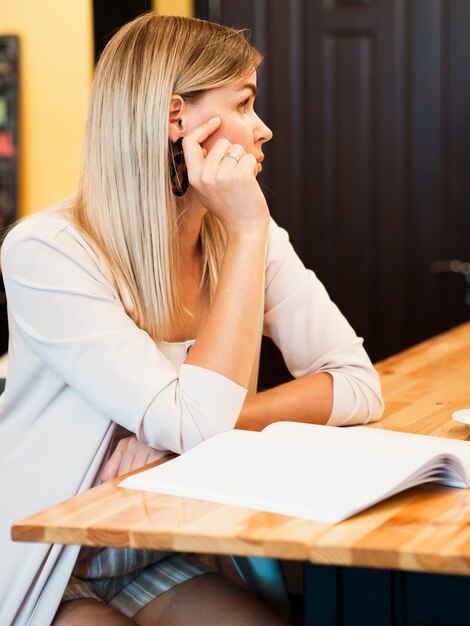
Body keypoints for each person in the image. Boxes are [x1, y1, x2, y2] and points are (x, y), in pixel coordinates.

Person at [0, 13, 383, 626]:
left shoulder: (244, 233)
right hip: (52, 560)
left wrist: (175, 438)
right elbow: (203, 429)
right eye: (245, 104)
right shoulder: (48, 250)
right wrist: (192, 432)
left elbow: (358, 385)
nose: (265, 130)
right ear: (177, 119)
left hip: (157, 551)